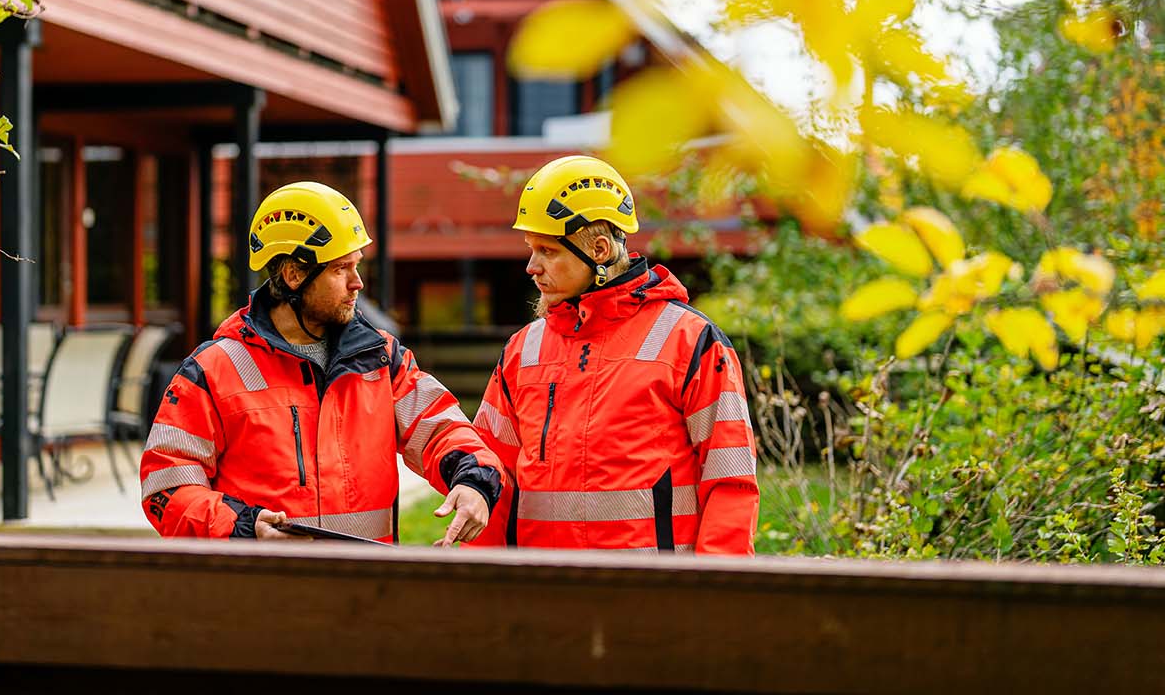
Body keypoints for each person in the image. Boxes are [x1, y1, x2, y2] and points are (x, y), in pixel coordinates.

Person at [139, 181, 502, 545]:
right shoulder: (211, 371)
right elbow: (166, 488)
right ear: (294, 275)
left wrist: (473, 482)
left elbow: (442, 429)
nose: (357, 283)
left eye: (356, 266)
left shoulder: (381, 359)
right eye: (341, 269)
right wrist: (243, 526)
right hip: (263, 588)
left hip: (367, 588)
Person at [470, 155, 758, 553]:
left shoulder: (690, 341)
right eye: (530, 249)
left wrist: (712, 597)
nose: (531, 267)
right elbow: (490, 478)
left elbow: (730, 482)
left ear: (600, 250)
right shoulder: (523, 351)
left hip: (652, 598)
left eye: (548, 251)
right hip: (542, 594)